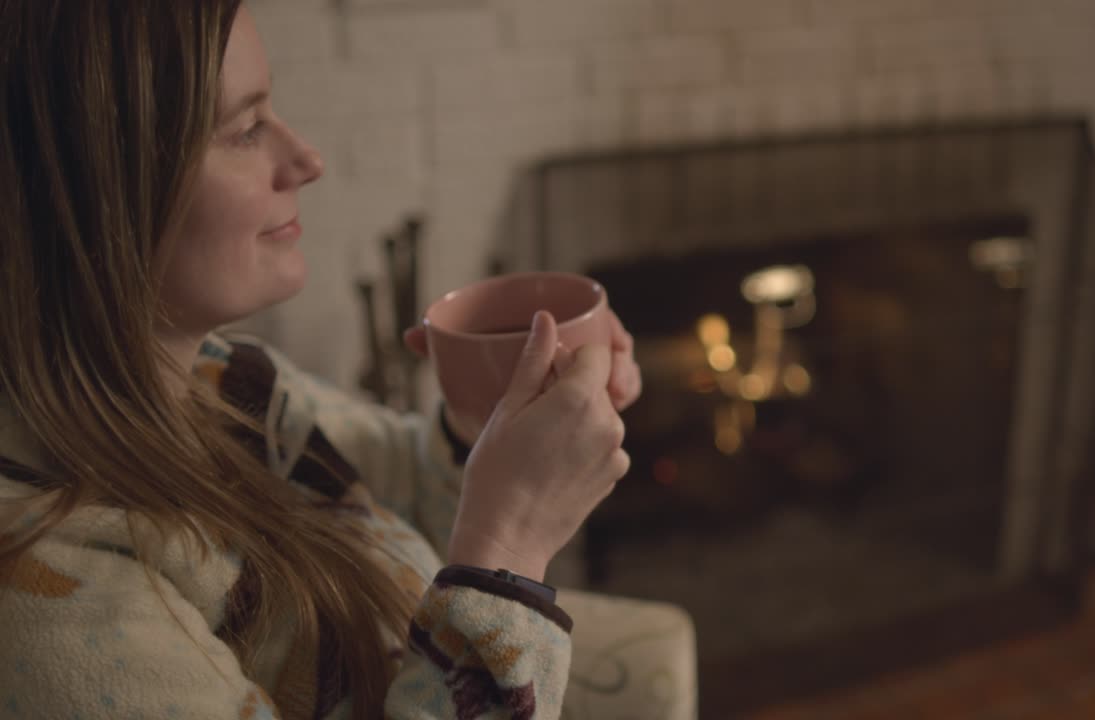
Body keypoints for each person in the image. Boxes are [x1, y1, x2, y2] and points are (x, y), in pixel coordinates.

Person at [0, 2, 644, 718]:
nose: (307, 159)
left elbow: (404, 492)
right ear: (96, 195)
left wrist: (488, 423)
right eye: (246, 130)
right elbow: (477, 549)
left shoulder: (229, 381)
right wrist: (509, 547)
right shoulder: (47, 583)